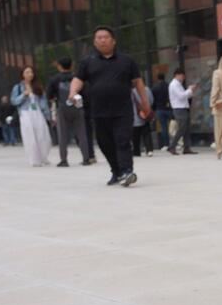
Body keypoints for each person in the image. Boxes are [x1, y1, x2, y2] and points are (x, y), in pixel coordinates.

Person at [69, 26, 151, 187]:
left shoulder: (127, 60)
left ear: (113, 41)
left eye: (105, 37)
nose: (102, 40)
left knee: (122, 140)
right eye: (99, 38)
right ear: (94, 42)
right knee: (104, 143)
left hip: (123, 110)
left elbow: (138, 82)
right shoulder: (87, 62)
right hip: (99, 111)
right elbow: (78, 79)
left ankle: (127, 171)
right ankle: (117, 171)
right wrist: (73, 92)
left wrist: (145, 102)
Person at [46, 57, 91, 167]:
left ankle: (64, 160)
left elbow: (49, 95)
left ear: (59, 66)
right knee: (82, 134)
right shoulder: (77, 77)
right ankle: (86, 158)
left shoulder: (54, 79)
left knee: (62, 135)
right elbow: (86, 93)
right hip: (78, 107)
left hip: (62, 108)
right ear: (72, 65)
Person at [11, 66, 52, 167]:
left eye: (31, 72)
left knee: (43, 135)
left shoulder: (37, 86)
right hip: (25, 113)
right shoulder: (18, 87)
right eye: (27, 72)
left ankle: (43, 157)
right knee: (30, 136)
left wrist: (47, 115)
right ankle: (34, 160)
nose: (30, 74)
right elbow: (14, 101)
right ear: (22, 74)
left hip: (38, 112)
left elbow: (43, 102)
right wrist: (24, 94)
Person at [167, 68, 198, 155]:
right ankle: (172, 146)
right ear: (177, 75)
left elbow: (185, 96)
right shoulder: (174, 84)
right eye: (182, 76)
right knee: (182, 128)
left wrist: (190, 91)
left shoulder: (178, 84)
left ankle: (186, 147)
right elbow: (181, 96)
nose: (183, 78)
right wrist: (190, 89)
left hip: (183, 107)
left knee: (186, 129)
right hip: (179, 108)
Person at [151, 73, 171, 150]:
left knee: (164, 127)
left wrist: (153, 109)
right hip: (169, 108)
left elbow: (153, 100)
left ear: (157, 78)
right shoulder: (168, 86)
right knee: (173, 126)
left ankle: (166, 144)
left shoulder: (155, 88)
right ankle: (175, 142)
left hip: (159, 109)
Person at [132, 86, 155, 157]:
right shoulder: (147, 89)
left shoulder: (131, 91)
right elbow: (151, 100)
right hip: (145, 114)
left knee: (135, 135)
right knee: (146, 133)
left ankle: (136, 151)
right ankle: (149, 150)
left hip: (134, 116)